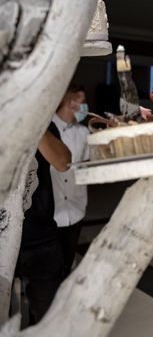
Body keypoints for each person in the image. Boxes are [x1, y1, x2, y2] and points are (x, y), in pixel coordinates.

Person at [16, 126, 71, 325]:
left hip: (39, 237)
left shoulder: (40, 118)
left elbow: (63, 162)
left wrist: (34, 120)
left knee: (51, 321)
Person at [50, 83, 91, 277]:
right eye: (82, 101)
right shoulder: (47, 129)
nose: (85, 107)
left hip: (76, 209)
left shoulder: (83, 132)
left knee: (67, 263)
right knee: (48, 268)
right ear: (70, 101)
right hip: (51, 212)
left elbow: (91, 164)